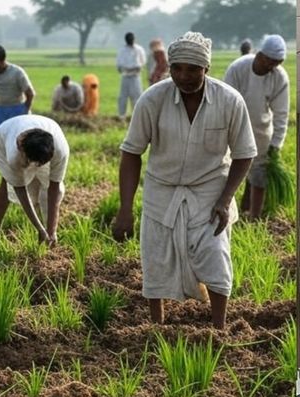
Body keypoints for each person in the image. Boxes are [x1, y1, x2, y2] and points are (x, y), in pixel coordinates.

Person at [112, 32, 256, 330]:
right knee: (157, 258)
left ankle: (219, 328)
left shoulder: (230, 101)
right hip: (161, 190)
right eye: (177, 68)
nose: (184, 76)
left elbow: (244, 154)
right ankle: (157, 327)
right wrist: (125, 209)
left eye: (192, 69)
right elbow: (131, 153)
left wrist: (225, 199)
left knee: (215, 257)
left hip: (210, 191)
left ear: (207, 69)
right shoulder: (152, 99)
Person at [224, 35, 289, 220]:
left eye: (277, 63)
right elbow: (226, 102)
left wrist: (276, 144)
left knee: (259, 173)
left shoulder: (279, 77)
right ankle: (227, 212)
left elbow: (281, 114)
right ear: (260, 55)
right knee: (226, 172)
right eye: (269, 62)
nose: (272, 67)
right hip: (233, 127)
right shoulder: (238, 68)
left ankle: (254, 217)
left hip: (260, 131)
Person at [0, 115, 69, 246]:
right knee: (6, 183)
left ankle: (48, 233)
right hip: (4, 136)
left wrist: (51, 231)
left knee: (51, 185)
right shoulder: (13, 155)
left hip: (40, 141)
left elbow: (54, 188)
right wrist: (39, 229)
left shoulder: (61, 151)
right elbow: (20, 189)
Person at [0, 45, 35, 151]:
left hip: (17, 108)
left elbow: (30, 94)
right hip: (0, 109)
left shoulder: (17, 72)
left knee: (17, 138)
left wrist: (25, 112)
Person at [116, 32, 146, 119]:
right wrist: (124, 69)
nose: (130, 41)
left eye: (131, 39)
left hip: (135, 76)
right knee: (122, 97)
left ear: (134, 39)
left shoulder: (139, 49)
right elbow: (119, 64)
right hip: (125, 76)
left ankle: (136, 116)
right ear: (126, 40)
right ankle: (122, 116)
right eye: (129, 40)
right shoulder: (122, 50)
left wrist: (136, 68)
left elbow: (143, 61)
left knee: (137, 96)